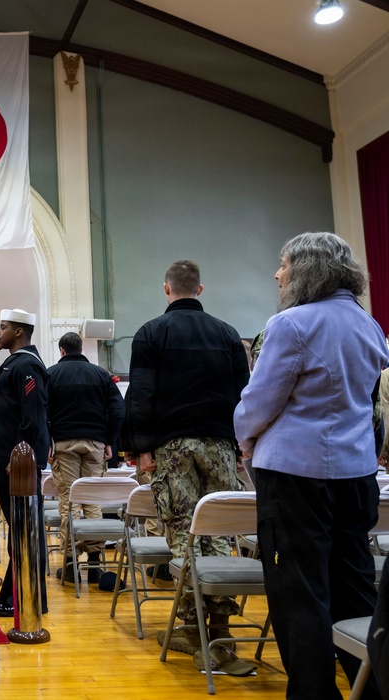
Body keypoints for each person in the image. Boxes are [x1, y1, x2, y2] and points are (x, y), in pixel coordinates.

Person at [234, 232, 388, 699]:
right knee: (354, 587)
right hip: (356, 472)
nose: (277, 274)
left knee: (298, 594)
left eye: (283, 264)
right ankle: (375, 686)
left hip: (297, 477)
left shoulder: (292, 323)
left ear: (306, 270)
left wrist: (244, 439)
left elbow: (260, 402)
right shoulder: (369, 325)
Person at [126, 259, 251, 675]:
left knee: (183, 534)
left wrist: (139, 447)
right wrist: (239, 445)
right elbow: (242, 395)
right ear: (200, 289)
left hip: (172, 446)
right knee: (218, 532)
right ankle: (218, 629)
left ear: (167, 290)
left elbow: (141, 395)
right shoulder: (228, 333)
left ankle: (198, 633)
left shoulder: (150, 332)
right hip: (219, 442)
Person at [0, 309, 49, 618]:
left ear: (19, 331)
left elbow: (32, 415)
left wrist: (22, 454)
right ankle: (13, 592)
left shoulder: (29, 365)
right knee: (19, 529)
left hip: (16, 460)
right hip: (6, 456)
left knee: (24, 529)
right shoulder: (12, 363)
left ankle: (26, 596)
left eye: (4, 327)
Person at [46, 331, 124, 583]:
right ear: (81, 349)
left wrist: (47, 440)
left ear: (62, 351)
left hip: (63, 443)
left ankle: (70, 565)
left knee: (69, 501)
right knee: (92, 502)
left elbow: (42, 409)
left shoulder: (51, 374)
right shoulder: (101, 374)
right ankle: (95, 565)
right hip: (95, 443)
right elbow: (118, 409)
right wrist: (109, 439)